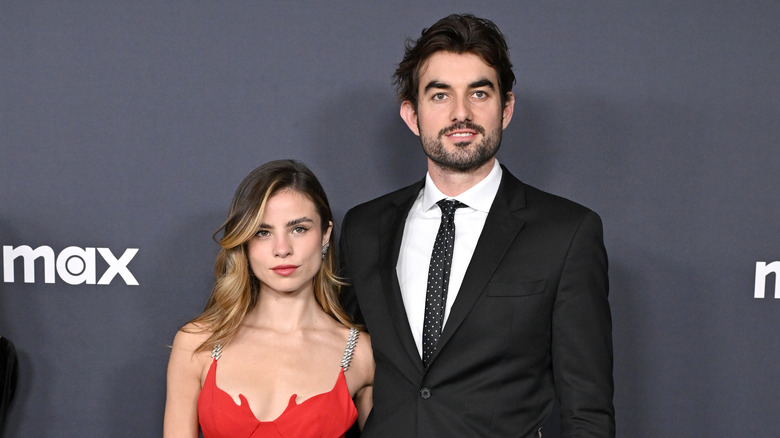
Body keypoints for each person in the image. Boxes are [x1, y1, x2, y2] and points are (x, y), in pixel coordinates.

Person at [339, 14, 614, 437]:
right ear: (411, 115)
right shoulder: (364, 229)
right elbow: (344, 369)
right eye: (439, 96)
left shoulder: (567, 233)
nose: (461, 113)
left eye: (479, 93)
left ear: (506, 109)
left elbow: (587, 412)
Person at [164, 160, 374, 438]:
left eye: (298, 228)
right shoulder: (197, 343)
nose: (282, 249)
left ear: (325, 234)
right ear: (244, 242)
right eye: (263, 232)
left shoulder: (362, 353)